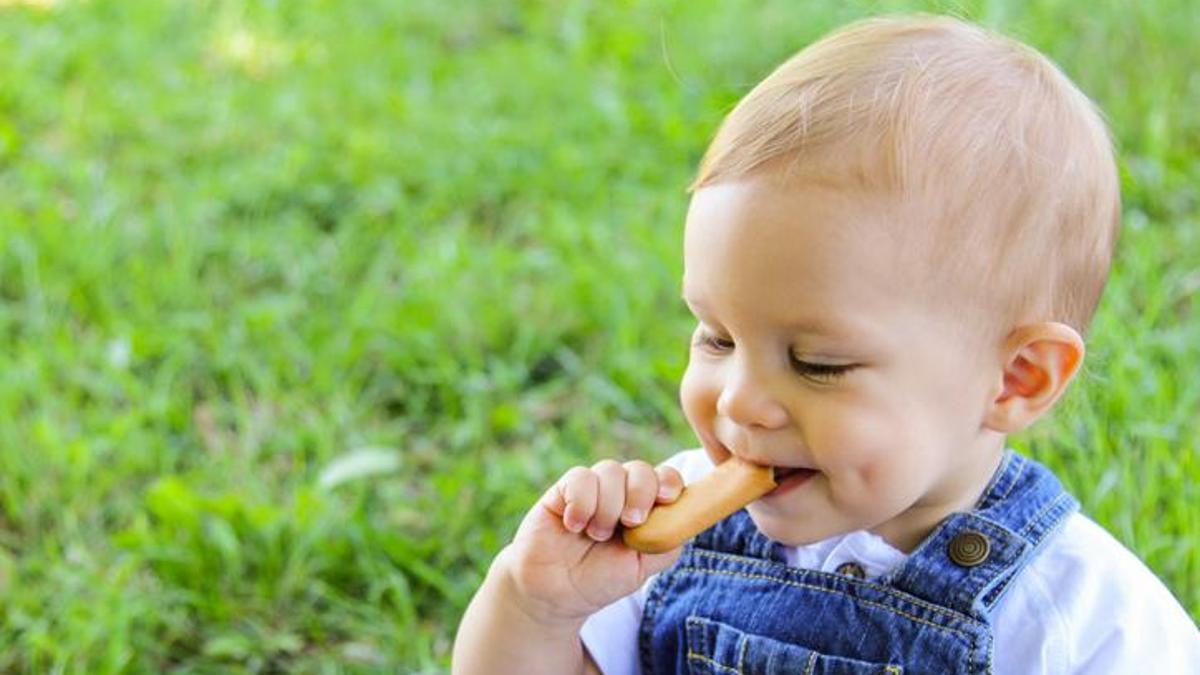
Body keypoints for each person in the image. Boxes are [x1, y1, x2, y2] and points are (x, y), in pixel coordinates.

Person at [452, 14, 1200, 674]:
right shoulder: (655, 547)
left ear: (1016, 378)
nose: (739, 400)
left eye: (817, 364)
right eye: (717, 337)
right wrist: (536, 608)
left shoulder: (1085, 624)